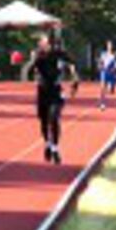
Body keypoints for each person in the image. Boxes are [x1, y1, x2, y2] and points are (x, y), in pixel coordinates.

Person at [30, 34, 79, 165]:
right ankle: (47, 144)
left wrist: (75, 78)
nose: (47, 46)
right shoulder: (39, 55)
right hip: (42, 92)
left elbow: (72, 63)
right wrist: (33, 61)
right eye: (44, 43)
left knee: (54, 118)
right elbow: (30, 71)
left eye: (48, 43)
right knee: (44, 121)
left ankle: (55, 149)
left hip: (56, 91)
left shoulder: (59, 53)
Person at [98, 40, 116, 111]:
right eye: (108, 45)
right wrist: (101, 66)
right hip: (104, 72)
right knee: (103, 88)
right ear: (107, 46)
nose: (110, 47)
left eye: (111, 45)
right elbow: (100, 62)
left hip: (111, 73)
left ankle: (112, 87)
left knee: (110, 90)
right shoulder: (103, 54)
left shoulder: (114, 55)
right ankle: (102, 103)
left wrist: (113, 69)